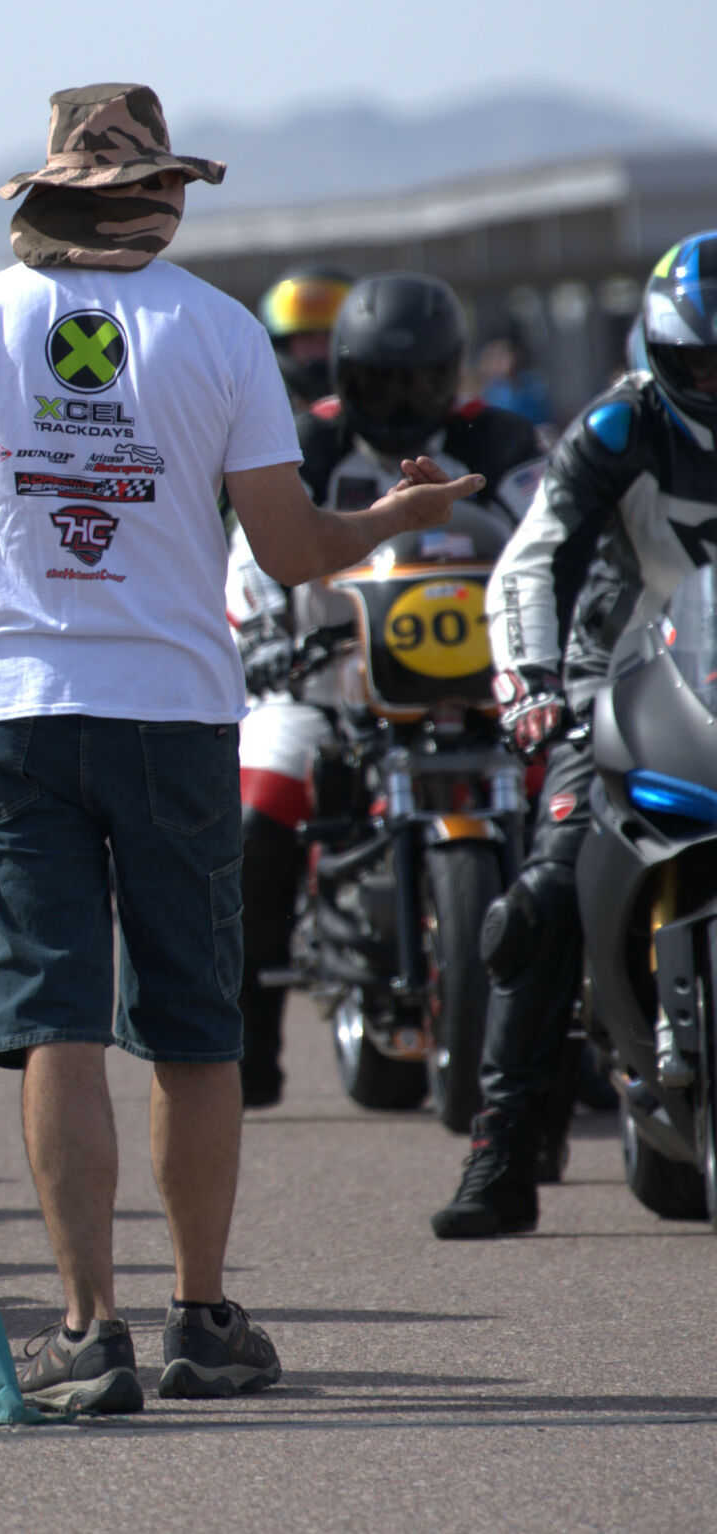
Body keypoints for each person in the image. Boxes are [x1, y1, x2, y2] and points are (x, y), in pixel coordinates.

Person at [0, 84, 484, 1413]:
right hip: (177, 715)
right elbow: (295, 554)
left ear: (46, 193)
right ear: (163, 195)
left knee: (55, 1019)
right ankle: (202, 1317)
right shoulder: (219, 332)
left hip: (16, 715)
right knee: (194, 1027)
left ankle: (91, 1334)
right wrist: (400, 512)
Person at [432, 229, 717, 1238]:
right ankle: (503, 1149)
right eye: (705, 362)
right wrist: (532, 685)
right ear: (663, 351)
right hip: (622, 683)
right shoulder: (615, 429)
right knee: (546, 891)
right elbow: (533, 557)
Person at [226, 273, 546, 1108]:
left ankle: (577, 1023)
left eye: (419, 379)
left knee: (569, 812)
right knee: (255, 815)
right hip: (324, 687)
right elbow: (250, 549)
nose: (400, 398)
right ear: (342, 372)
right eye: (378, 379)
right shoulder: (307, 442)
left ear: (454, 372)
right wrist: (262, 636)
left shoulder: (503, 441)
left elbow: (550, 537)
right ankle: (249, 1036)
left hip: (485, 691)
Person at [256, 263, 355, 412]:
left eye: (329, 336)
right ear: (284, 344)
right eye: (306, 337)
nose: (318, 348)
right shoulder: (262, 413)